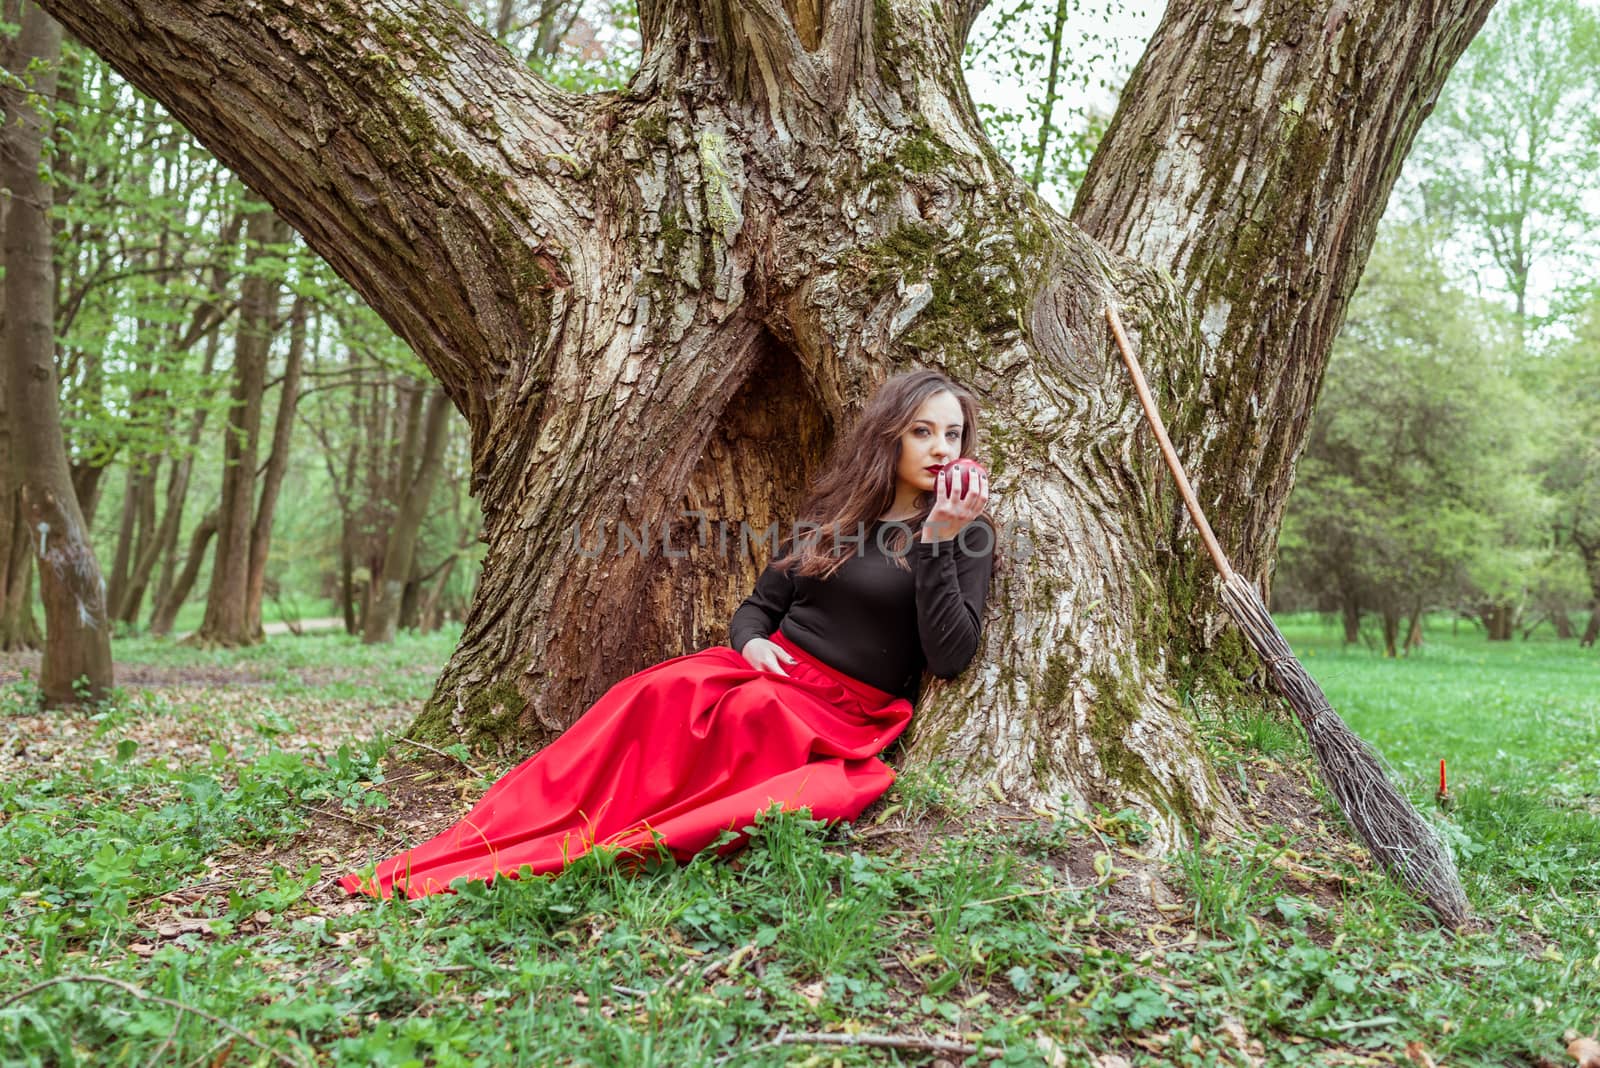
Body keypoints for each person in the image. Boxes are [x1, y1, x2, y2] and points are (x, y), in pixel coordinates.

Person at [340, 369, 996, 899]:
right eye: (922, 431)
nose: (941, 448)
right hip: (765, 668)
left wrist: (938, 538)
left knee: (744, 716)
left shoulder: (965, 536)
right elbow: (756, 608)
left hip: (837, 713)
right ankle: (528, 824)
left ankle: (611, 835)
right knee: (653, 694)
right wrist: (752, 644)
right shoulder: (834, 516)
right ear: (890, 437)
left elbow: (950, 653)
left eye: (953, 434)